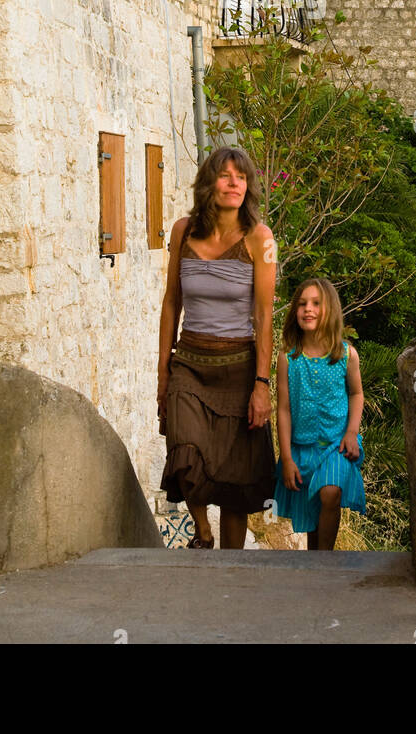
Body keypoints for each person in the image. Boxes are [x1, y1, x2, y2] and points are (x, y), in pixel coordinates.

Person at [158, 146, 276, 549]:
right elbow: (171, 303)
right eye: (225, 175)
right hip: (190, 364)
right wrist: (163, 374)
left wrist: (262, 384)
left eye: (240, 177)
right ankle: (202, 532)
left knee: (234, 479)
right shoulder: (182, 231)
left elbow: (264, 317)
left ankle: (230, 566)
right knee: (185, 450)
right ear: (210, 183)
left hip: (240, 369)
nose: (233, 183)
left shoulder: (261, 240)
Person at [273, 276, 365, 549]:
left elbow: (357, 393)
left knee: (330, 493)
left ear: (330, 310)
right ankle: (315, 564)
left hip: (337, 446)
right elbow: (284, 409)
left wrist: (351, 432)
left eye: (315, 303)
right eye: (302, 304)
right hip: (302, 449)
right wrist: (286, 457)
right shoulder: (288, 358)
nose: (308, 309)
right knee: (314, 515)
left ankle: (325, 564)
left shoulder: (346, 355)